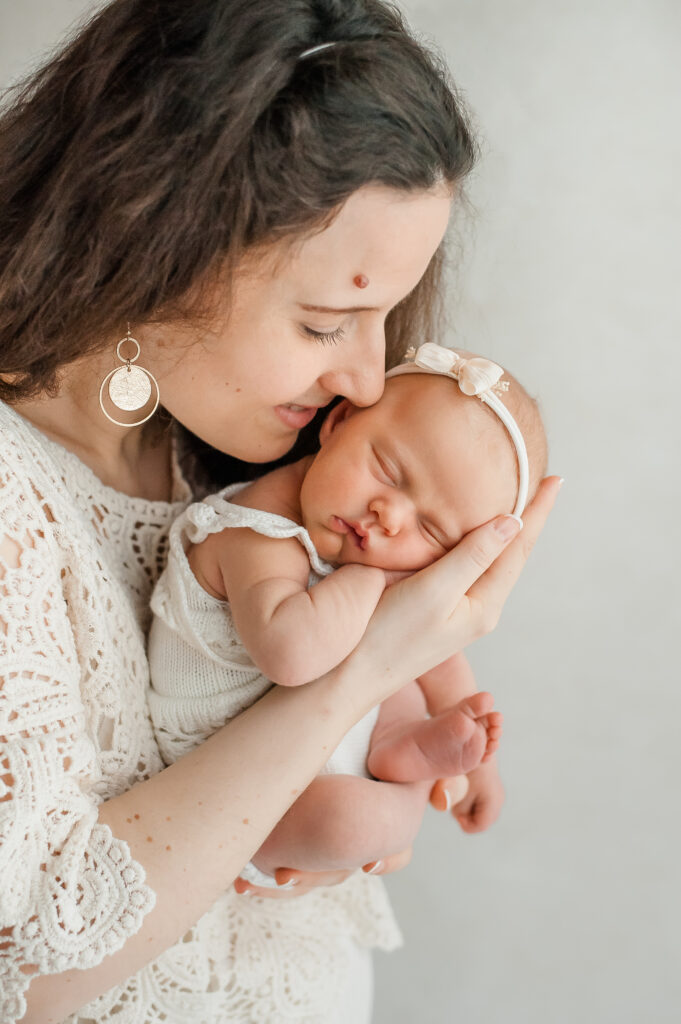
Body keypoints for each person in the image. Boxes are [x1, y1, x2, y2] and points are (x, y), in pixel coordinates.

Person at [0, 1, 560, 1022]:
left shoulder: (257, 465)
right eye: (325, 321)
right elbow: (26, 970)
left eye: (385, 317)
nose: (366, 374)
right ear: (152, 233)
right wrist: (371, 663)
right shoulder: (14, 499)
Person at [148, 343, 547, 889]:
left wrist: (479, 767)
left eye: (431, 532)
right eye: (388, 470)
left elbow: (433, 654)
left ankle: (401, 743)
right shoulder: (258, 528)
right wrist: (371, 579)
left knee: (408, 675)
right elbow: (291, 655)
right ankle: (395, 768)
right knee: (357, 823)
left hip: (318, 744)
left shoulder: (370, 549)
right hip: (227, 782)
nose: (390, 516)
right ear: (338, 422)